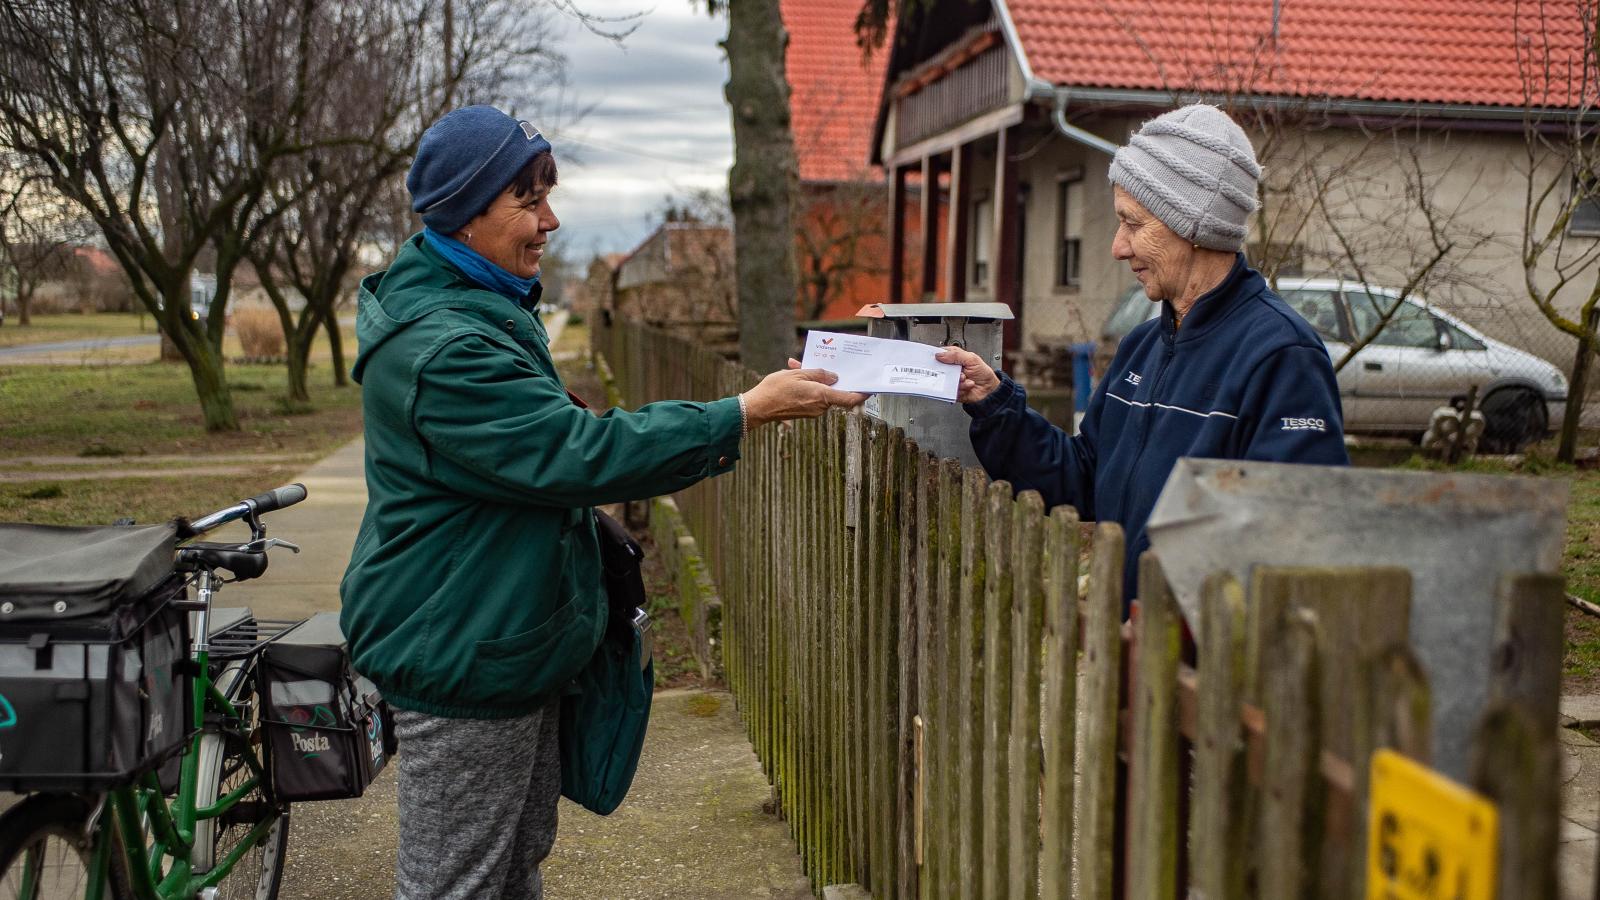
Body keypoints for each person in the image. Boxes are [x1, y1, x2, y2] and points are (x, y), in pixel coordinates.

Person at [338, 105, 865, 900]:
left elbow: (540, 441)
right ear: (462, 214)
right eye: (526, 200)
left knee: (515, 860)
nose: (550, 220)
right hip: (461, 649)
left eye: (547, 194)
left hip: (502, 636)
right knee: (456, 882)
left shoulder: (481, 304)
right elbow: (574, 455)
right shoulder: (444, 349)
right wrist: (741, 412)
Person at [936, 104, 1348, 608]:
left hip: (1214, 665)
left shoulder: (1281, 357)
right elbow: (1082, 477)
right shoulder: (1143, 346)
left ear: (1193, 225)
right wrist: (995, 402)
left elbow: (1296, 543)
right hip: (1140, 652)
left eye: (1134, 223)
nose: (1118, 247)